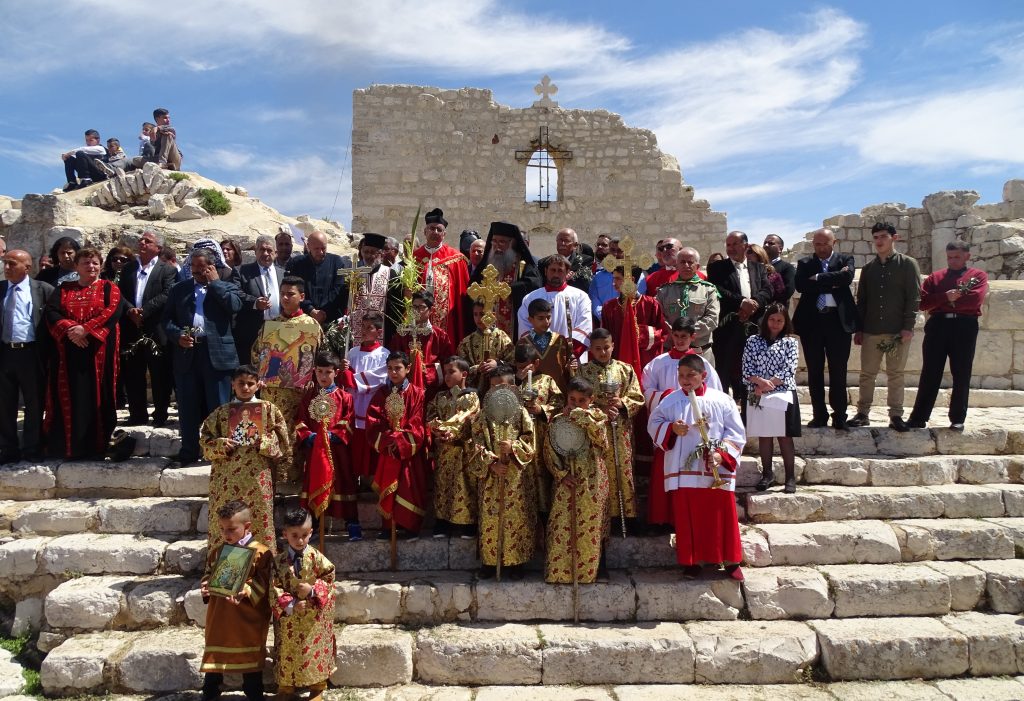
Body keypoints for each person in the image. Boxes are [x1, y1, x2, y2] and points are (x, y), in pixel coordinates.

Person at [647, 354, 745, 580]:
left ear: (703, 375)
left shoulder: (721, 400)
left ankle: (730, 560)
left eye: (690, 375)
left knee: (722, 515)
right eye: (681, 375)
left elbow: (736, 433)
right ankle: (692, 561)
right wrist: (671, 428)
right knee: (688, 516)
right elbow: (654, 424)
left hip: (715, 469)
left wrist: (721, 456)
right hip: (685, 471)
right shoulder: (670, 401)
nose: (685, 380)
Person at [164, 248, 243, 467]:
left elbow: (235, 307)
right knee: (188, 406)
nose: (198, 271)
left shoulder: (226, 285)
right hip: (188, 353)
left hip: (217, 354)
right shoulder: (180, 289)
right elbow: (167, 320)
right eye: (194, 267)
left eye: (203, 267)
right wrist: (177, 335)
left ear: (212, 266)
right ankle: (189, 450)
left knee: (218, 406)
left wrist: (215, 283)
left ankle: (219, 451)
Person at [641, 318, 721, 531]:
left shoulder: (702, 365)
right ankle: (662, 519)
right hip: (669, 428)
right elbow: (645, 390)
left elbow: (716, 395)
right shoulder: (658, 363)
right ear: (670, 336)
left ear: (692, 337)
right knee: (664, 472)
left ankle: (688, 519)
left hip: (695, 428)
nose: (679, 340)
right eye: (676, 335)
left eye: (684, 336)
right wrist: (667, 396)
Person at [201, 365, 291, 549]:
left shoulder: (269, 410)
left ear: (258, 384)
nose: (246, 387)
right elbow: (205, 439)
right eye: (241, 383)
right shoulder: (221, 412)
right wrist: (220, 444)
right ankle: (222, 571)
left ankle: (261, 569)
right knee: (227, 521)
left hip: (258, 476)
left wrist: (265, 442)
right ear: (232, 384)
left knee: (259, 519)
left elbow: (283, 441)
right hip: (226, 476)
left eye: (250, 383)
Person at [44, 247, 122, 460]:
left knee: (98, 398)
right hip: (68, 353)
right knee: (70, 397)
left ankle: (98, 446)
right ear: (76, 266)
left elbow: (112, 311)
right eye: (86, 263)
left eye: (95, 263)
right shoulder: (63, 289)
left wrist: (85, 330)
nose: (91, 267)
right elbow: (51, 312)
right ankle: (70, 448)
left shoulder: (109, 288)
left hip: (98, 353)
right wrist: (72, 330)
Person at [908, 240, 989, 431]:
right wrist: (946, 297)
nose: (952, 261)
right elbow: (922, 303)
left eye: (957, 257)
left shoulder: (978, 276)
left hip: (965, 325)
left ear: (967, 256)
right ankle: (919, 417)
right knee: (930, 372)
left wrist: (942, 301)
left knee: (961, 372)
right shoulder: (935, 277)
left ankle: (957, 418)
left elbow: (974, 301)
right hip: (938, 325)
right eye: (949, 257)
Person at [850, 223, 921, 431]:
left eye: (883, 237)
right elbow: (861, 301)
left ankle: (896, 415)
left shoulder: (908, 264)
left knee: (896, 373)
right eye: (876, 238)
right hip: (871, 330)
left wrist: (908, 326)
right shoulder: (868, 269)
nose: (879, 241)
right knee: (867, 374)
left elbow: (914, 297)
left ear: (894, 238)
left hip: (897, 331)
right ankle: (863, 413)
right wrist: (859, 329)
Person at [469, 364, 537, 579]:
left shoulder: (521, 413)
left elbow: (530, 441)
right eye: (492, 386)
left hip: (515, 476)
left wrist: (514, 448)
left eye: (502, 386)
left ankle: (515, 562)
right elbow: (475, 444)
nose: (497, 391)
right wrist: (491, 463)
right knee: (490, 518)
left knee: (516, 518)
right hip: (491, 476)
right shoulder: (482, 416)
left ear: (513, 387)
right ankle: (490, 562)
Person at [199, 500, 273, 701]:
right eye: (222, 529)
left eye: (231, 529)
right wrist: (206, 586)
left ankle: (254, 694)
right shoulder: (217, 551)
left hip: (247, 617)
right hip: (220, 615)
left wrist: (248, 589)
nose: (226, 534)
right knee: (215, 658)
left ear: (247, 526)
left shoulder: (262, 552)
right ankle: (210, 693)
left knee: (249, 661)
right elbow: (209, 574)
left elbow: (265, 582)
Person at [543, 376, 610, 584]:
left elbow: (602, 442)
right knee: (562, 524)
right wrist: (561, 474)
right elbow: (549, 450)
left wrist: (584, 417)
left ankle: (590, 571)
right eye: (573, 400)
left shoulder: (598, 417)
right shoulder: (557, 420)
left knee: (592, 524)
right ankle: (561, 572)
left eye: (582, 400)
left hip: (592, 479)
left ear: (592, 399)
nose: (576, 404)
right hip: (567, 479)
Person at [253, 277, 323, 469]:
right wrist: (261, 374)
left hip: (301, 392)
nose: (285, 298)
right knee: (273, 432)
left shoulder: (312, 326)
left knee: (296, 431)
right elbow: (256, 354)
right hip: (272, 391)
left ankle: (297, 479)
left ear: (301, 296)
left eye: (290, 294)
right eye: (282, 293)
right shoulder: (270, 325)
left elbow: (320, 357)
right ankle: (274, 480)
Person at [579, 328, 645, 532]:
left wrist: (622, 403)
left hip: (620, 430)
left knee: (623, 471)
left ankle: (627, 517)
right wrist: (600, 410)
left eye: (606, 347)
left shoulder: (625, 370)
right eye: (598, 349)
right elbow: (577, 402)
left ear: (613, 345)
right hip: (595, 432)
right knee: (600, 471)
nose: (603, 352)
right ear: (591, 349)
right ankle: (601, 515)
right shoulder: (583, 372)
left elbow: (637, 397)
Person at [792, 228, 856, 430]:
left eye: (824, 244)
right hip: (812, 323)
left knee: (839, 371)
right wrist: (833, 281)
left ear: (834, 243)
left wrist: (818, 278)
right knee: (815, 371)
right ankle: (819, 414)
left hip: (838, 323)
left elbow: (846, 278)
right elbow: (801, 285)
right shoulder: (804, 263)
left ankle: (840, 416)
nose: (820, 248)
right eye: (817, 244)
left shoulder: (846, 259)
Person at [271, 507, 337, 701]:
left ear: (311, 533)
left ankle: (317, 687)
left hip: (313, 619)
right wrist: (290, 604)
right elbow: (274, 587)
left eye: (304, 535)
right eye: (294, 535)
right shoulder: (278, 562)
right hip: (289, 620)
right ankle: (286, 688)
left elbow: (330, 578)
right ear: (285, 535)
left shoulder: (317, 558)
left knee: (314, 651)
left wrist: (313, 590)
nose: (300, 540)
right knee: (287, 651)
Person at [118, 229, 178, 427]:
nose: (142, 242)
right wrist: (130, 311)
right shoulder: (128, 269)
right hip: (131, 328)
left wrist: (144, 311)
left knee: (160, 374)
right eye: (141, 239)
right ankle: (137, 414)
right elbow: (120, 294)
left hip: (156, 330)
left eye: (147, 240)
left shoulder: (167, 270)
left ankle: (160, 414)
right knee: (133, 373)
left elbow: (169, 293)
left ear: (158, 248)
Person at [366, 351, 427, 539]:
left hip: (407, 452)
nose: (393, 372)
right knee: (388, 484)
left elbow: (418, 423)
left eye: (398, 368)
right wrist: (387, 440)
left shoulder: (417, 394)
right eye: (390, 368)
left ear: (408, 369)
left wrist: (399, 441)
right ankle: (388, 526)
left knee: (408, 486)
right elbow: (373, 420)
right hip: (388, 451)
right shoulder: (381, 393)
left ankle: (409, 526)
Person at [295, 351, 356, 537]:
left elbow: (348, 422)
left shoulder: (345, 397)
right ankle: (312, 524)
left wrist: (332, 436)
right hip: (315, 452)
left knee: (343, 482)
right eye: (319, 371)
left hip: (338, 451)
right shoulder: (308, 398)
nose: (323, 376)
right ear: (314, 371)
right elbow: (300, 422)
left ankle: (351, 523)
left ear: (336, 372)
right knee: (314, 481)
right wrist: (311, 437)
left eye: (328, 372)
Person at [742, 303, 801, 493]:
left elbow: (790, 368)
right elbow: (746, 367)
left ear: (785, 322)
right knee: (764, 435)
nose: (775, 324)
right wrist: (759, 382)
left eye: (780, 320)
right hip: (757, 392)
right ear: (766, 320)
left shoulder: (790, 342)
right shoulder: (753, 340)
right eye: (772, 319)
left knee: (784, 436)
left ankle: (790, 476)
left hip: (782, 393)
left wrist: (770, 384)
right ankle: (767, 474)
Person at [1, 250, 53, 464]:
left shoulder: (43, 290)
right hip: (5, 353)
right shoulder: (1, 289)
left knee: (34, 403)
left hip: (32, 353)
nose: (6, 268)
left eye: (11, 264)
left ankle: (32, 448)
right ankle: (8, 449)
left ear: (27, 267)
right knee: (4, 404)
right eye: (4, 263)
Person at [707, 231, 772, 403]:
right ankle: (723, 410)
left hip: (754, 327)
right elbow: (718, 289)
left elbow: (767, 290)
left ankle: (750, 412)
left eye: (735, 244)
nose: (731, 248)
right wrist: (742, 303)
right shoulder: (717, 268)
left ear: (746, 245)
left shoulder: (758, 268)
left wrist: (755, 303)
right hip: (728, 328)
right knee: (724, 369)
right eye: (728, 245)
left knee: (752, 370)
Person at [426, 356, 481, 538]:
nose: (447, 376)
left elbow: (468, 419)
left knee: (464, 485)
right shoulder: (440, 397)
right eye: (446, 372)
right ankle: (442, 521)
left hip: (462, 449)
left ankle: (467, 524)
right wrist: (436, 429)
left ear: (464, 374)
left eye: (452, 372)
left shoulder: (471, 397)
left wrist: (454, 432)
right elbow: (430, 415)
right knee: (442, 486)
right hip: (443, 450)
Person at [514, 341, 565, 516]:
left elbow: (559, 403)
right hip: (521, 438)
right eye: (518, 367)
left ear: (535, 363)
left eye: (525, 367)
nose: (522, 371)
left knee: (542, 473)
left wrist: (541, 410)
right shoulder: (514, 384)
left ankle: (545, 512)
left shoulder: (547, 381)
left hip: (542, 435)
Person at [469, 221, 542, 339]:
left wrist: (508, 289)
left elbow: (533, 284)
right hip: (486, 319)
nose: (497, 246)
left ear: (511, 243)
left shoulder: (522, 264)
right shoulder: (486, 263)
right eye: (494, 241)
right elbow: (473, 288)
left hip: (513, 324)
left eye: (502, 242)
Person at [339, 312, 389, 479]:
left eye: (369, 328)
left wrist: (351, 377)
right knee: (354, 441)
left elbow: (380, 378)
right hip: (354, 402)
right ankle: (353, 476)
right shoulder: (352, 352)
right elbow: (344, 380)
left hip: (371, 403)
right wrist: (343, 369)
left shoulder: (384, 354)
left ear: (379, 332)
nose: (365, 331)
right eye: (362, 327)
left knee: (370, 441)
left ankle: (370, 478)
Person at [335, 233, 402, 346]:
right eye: (366, 252)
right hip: (356, 329)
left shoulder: (390, 273)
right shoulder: (353, 273)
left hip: (383, 331)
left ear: (380, 254)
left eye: (373, 252)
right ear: (361, 252)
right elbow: (342, 300)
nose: (369, 256)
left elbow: (396, 306)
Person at [414, 208, 470, 343]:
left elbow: (463, 294)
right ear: (425, 232)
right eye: (432, 228)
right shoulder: (414, 258)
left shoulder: (456, 259)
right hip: (418, 315)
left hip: (447, 318)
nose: (435, 232)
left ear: (444, 234)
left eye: (439, 230)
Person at [518, 254, 592, 357]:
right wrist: (544, 352)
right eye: (552, 270)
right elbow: (525, 328)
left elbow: (584, 327)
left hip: (570, 357)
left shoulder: (581, 297)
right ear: (545, 271)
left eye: (560, 270)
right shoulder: (530, 298)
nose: (556, 274)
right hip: (538, 357)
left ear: (567, 272)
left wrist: (566, 353)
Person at [389, 290, 454, 401]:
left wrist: (430, 374)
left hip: (432, 390)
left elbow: (448, 364)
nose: (416, 311)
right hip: (405, 388)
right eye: (414, 307)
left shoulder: (440, 335)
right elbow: (393, 359)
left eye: (421, 307)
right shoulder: (402, 333)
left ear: (431, 310)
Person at [601, 265, 669, 369]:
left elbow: (662, 332)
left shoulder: (651, 304)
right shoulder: (609, 307)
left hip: (644, 362)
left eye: (618, 278)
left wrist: (639, 333)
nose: (613, 283)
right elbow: (604, 336)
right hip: (617, 361)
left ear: (631, 279)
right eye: (613, 278)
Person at [656, 248, 719, 354]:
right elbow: (658, 317)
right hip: (671, 351)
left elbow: (712, 318)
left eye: (690, 262)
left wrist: (688, 333)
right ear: (676, 265)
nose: (686, 265)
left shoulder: (709, 290)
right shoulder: (664, 291)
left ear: (698, 267)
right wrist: (674, 334)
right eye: (682, 262)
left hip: (700, 351)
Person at [233, 235, 283, 364]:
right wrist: (255, 303)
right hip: (252, 332)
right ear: (255, 251)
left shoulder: (283, 273)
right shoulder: (242, 271)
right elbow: (237, 294)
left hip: (279, 331)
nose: (265, 253)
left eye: (269, 250)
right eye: (262, 250)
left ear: (276, 253)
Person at [285, 230, 351, 325]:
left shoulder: (336, 262)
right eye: (316, 248)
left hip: (331, 318)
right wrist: (311, 310)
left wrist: (323, 312)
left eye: (323, 248)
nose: (320, 252)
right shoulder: (296, 264)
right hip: (303, 318)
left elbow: (338, 289)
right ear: (308, 246)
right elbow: (294, 290)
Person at [519, 298, 575, 394]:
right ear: (530, 320)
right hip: (534, 394)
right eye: (540, 318)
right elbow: (519, 370)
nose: (546, 322)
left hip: (559, 394)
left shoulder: (560, 340)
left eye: (548, 317)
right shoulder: (523, 342)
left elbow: (566, 368)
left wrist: (571, 367)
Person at [457, 299, 514, 391]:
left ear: (493, 315)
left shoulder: (502, 338)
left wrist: (497, 363)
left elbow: (513, 363)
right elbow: (461, 368)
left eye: (482, 314)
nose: (479, 318)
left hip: (499, 388)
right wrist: (477, 369)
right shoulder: (466, 342)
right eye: (475, 314)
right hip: (475, 389)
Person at [555, 228, 594, 294]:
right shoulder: (546, 262)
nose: (562, 243)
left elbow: (585, 283)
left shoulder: (585, 261)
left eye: (566, 241)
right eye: (560, 240)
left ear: (575, 245)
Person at [763, 235, 796, 305]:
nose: (766, 245)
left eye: (771, 243)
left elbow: (788, 290)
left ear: (780, 249)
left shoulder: (787, 267)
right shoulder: (758, 266)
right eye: (765, 243)